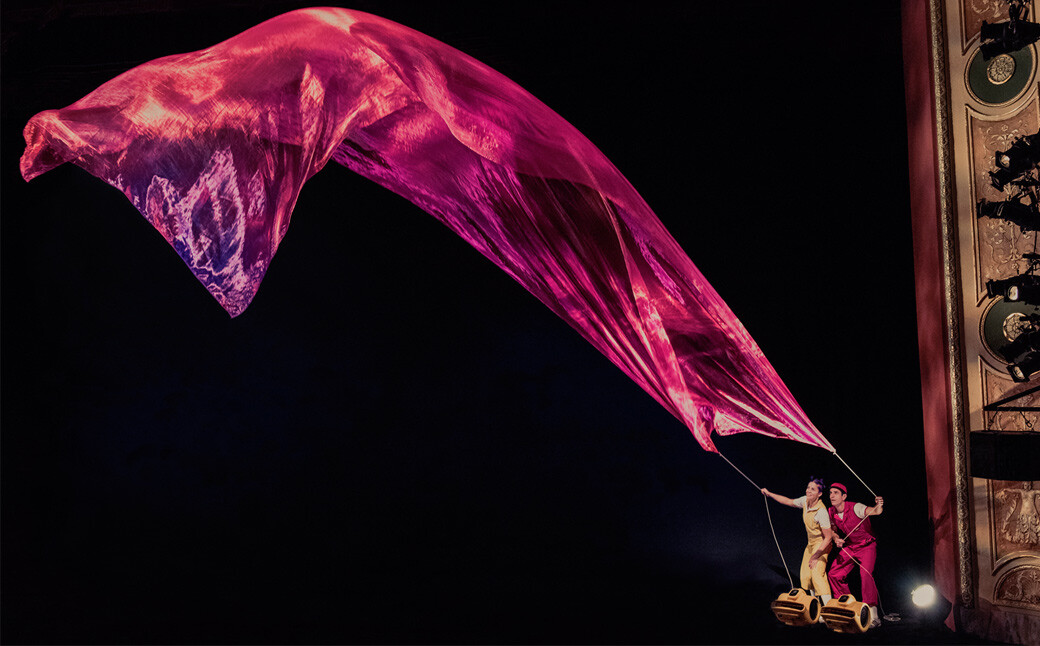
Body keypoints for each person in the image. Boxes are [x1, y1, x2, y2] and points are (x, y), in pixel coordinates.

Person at [761, 477, 834, 605]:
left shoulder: (821, 512)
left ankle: (828, 607)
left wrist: (816, 556)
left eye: (813, 489)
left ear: (820, 493)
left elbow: (828, 537)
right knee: (806, 575)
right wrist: (770, 494)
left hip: (822, 545)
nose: (808, 491)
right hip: (811, 544)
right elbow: (788, 501)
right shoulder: (805, 501)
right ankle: (815, 608)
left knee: (817, 574)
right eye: (808, 488)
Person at [826, 482, 884, 627]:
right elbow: (833, 528)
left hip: (867, 545)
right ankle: (846, 606)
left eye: (836, 493)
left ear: (844, 496)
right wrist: (835, 538)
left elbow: (876, 511)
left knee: (865, 574)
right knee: (834, 574)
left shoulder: (855, 507)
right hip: (851, 546)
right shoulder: (831, 511)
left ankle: (874, 615)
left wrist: (879, 504)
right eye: (831, 492)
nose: (832, 495)